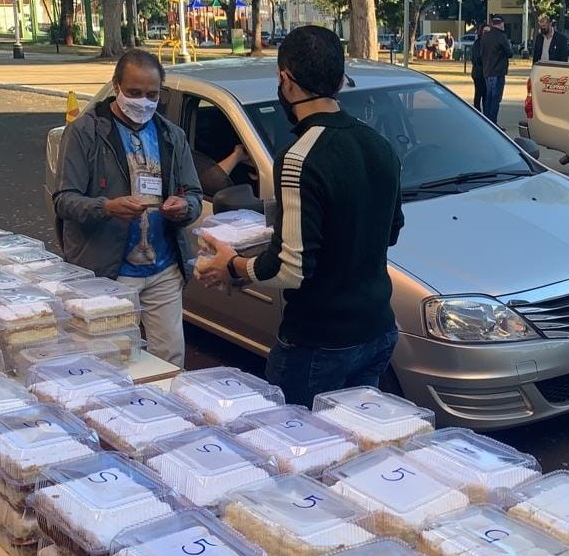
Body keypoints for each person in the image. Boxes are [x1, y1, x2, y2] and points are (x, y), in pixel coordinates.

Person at [195, 25, 405, 406]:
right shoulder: (380, 145)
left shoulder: (297, 159)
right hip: (377, 329)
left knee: (299, 450)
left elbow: (290, 269)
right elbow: (389, 232)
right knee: (354, 441)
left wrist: (233, 265)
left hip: (319, 342)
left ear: (285, 80)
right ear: (340, 80)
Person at [50, 49, 203, 367]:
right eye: (134, 93)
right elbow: (64, 200)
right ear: (116, 86)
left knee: (170, 358)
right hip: (110, 270)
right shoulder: (85, 132)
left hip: (163, 268)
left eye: (152, 94)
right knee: (114, 360)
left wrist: (183, 206)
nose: (143, 102)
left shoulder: (171, 135)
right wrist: (107, 207)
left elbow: (195, 195)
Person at [476, 15, 512, 123]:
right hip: (498, 71)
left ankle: (487, 121)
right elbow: (509, 53)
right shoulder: (501, 36)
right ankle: (493, 123)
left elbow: (481, 53)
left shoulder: (485, 37)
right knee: (495, 99)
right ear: (501, 24)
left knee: (488, 98)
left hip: (487, 71)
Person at [470, 24, 488, 111]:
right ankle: (477, 113)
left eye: (489, 32)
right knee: (478, 95)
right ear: (481, 32)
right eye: (485, 31)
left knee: (486, 96)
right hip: (478, 73)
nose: (487, 33)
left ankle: (486, 115)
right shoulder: (477, 43)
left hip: (487, 73)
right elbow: (477, 59)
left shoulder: (489, 43)